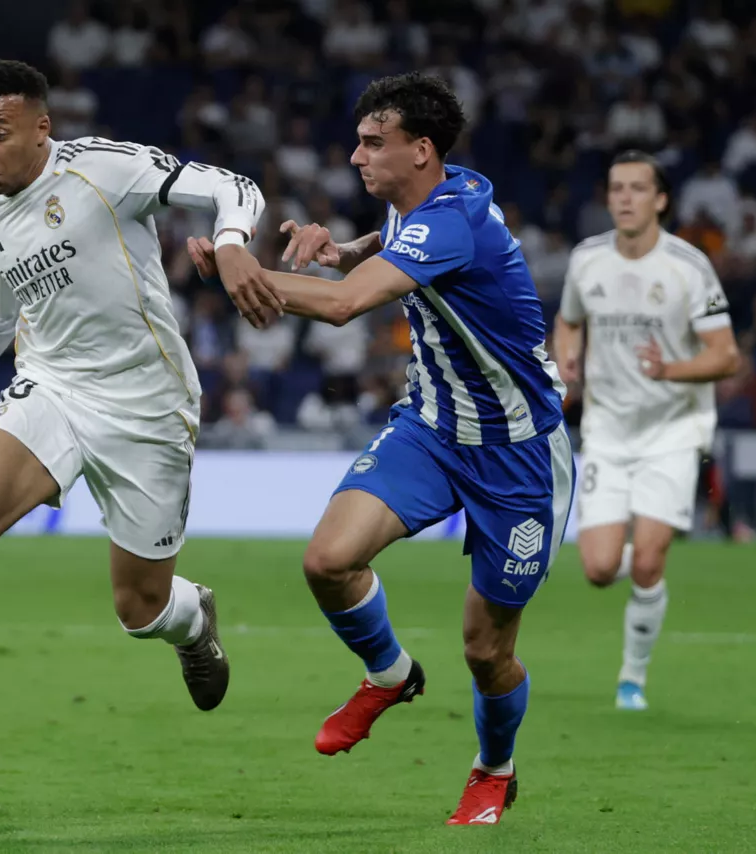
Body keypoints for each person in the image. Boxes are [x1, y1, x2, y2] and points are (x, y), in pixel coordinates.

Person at [0, 60, 278, 812]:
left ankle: (192, 620)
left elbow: (229, 186)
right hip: (52, 387)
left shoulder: (104, 170)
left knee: (139, 608)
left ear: (41, 128)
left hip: (149, 406)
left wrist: (237, 240)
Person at [188, 72, 573, 826]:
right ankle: (390, 674)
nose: (356, 157)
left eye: (374, 143)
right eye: (358, 141)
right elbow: (380, 257)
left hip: (518, 453)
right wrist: (344, 250)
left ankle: (494, 767)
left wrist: (243, 267)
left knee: (485, 651)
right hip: (431, 428)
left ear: (420, 150)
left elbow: (341, 309)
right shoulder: (427, 199)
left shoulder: (450, 221)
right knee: (328, 560)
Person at [552, 151, 738, 711]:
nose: (625, 198)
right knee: (599, 568)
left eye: (637, 188)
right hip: (608, 428)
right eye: (616, 188)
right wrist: (567, 359)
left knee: (650, 561)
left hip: (673, 429)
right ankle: (636, 559)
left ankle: (631, 679)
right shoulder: (587, 260)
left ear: (661, 200)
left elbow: (726, 355)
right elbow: (567, 322)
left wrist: (669, 370)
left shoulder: (690, 267)